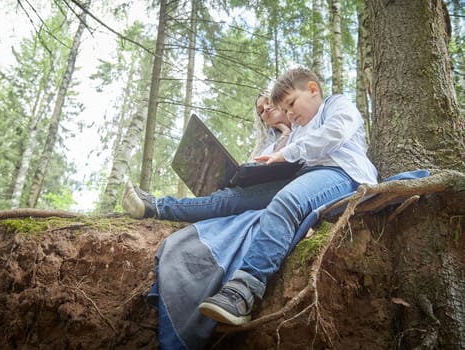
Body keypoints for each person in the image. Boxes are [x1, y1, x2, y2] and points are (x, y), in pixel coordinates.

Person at [196, 66, 378, 326]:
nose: (291, 114)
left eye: (292, 104)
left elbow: (334, 134)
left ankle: (243, 291)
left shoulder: (337, 104)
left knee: (287, 201)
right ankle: (158, 207)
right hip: (306, 178)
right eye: (286, 110)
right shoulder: (298, 129)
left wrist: (287, 153)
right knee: (234, 197)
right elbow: (291, 158)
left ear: (313, 89)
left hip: (343, 174)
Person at [122, 90, 294, 223]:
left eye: (268, 102)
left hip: (285, 188)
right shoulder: (264, 144)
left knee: (226, 200)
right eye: (261, 111)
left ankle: (155, 206)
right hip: (258, 189)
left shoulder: (301, 127)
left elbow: (284, 163)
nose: (265, 108)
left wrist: (286, 132)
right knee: (223, 196)